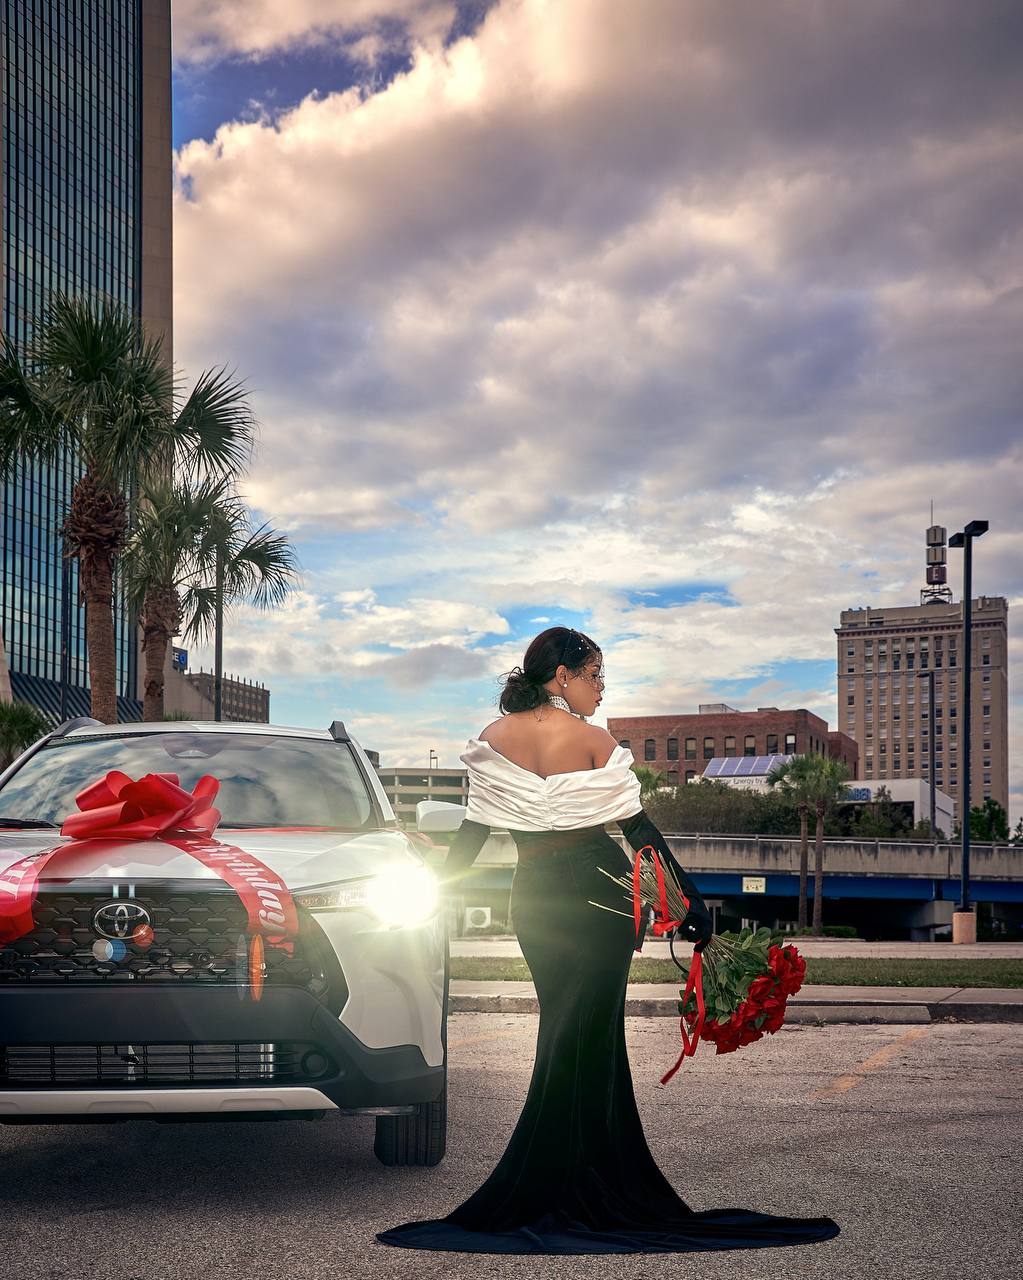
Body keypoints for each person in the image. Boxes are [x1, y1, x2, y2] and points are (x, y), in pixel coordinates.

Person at [377, 626, 840, 1256]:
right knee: (590, 1033)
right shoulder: (595, 740)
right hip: (598, 900)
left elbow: (471, 838)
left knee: (564, 1031)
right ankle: (586, 1181)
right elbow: (640, 834)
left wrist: (429, 883)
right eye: (595, 675)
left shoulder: (492, 742)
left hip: (534, 905)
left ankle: (552, 1180)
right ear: (562, 676)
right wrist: (693, 902)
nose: (601, 688)